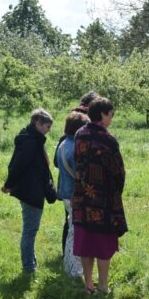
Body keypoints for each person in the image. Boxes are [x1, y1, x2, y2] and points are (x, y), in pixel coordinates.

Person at [72, 97, 127, 294]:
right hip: (103, 200)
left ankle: (88, 285)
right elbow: (118, 172)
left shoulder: (79, 134)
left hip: (80, 196)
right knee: (103, 244)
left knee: (86, 243)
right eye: (111, 114)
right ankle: (103, 285)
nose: (111, 118)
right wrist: (116, 192)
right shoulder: (108, 140)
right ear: (103, 114)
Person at [2, 108, 56, 274]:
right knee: (30, 230)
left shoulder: (32, 139)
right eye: (47, 126)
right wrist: (8, 184)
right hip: (30, 191)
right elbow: (17, 166)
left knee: (30, 229)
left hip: (31, 189)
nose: (49, 130)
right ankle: (28, 267)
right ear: (37, 123)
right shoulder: (31, 142)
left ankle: (31, 262)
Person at [54, 91, 100, 258]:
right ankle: (74, 257)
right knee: (76, 223)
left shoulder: (67, 133)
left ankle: (69, 254)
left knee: (69, 222)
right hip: (76, 188)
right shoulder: (80, 134)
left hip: (66, 186)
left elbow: (55, 161)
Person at [56, 111, 90, 278]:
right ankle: (73, 271)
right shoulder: (75, 148)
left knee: (71, 229)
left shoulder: (63, 144)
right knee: (75, 233)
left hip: (65, 193)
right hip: (74, 195)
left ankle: (70, 268)